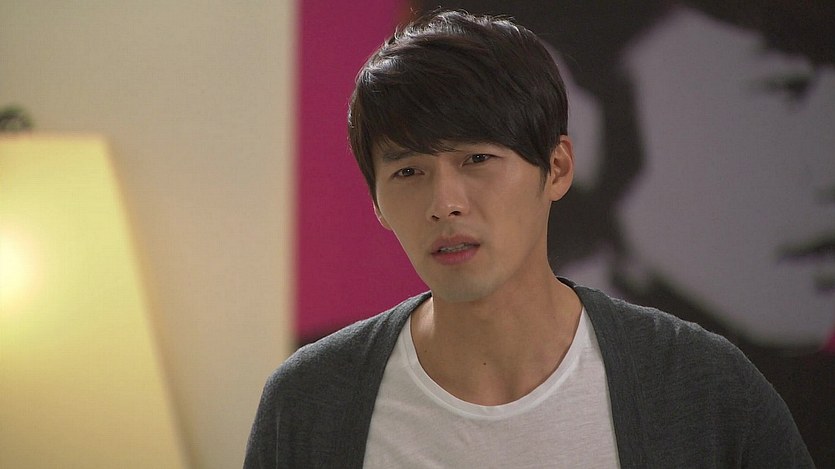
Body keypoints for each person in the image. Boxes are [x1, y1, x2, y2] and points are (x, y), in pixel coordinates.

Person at [244, 10, 813, 468]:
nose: (445, 203)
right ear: (377, 203)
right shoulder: (311, 402)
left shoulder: (699, 388)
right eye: (409, 171)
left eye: (477, 159)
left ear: (557, 168)